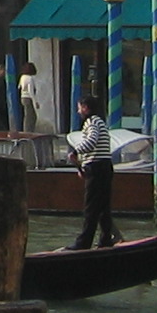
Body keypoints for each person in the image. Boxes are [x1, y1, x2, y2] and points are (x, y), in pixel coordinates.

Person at [68, 96, 118, 250]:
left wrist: (76, 152)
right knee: (103, 206)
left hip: (96, 168)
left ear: (86, 108)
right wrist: (83, 166)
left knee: (91, 207)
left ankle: (84, 242)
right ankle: (106, 239)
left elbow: (91, 141)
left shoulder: (91, 122)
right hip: (104, 166)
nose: (78, 111)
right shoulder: (100, 121)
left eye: (79, 108)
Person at [17, 62, 43, 133]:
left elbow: (19, 86)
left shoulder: (22, 77)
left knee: (27, 115)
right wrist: (35, 102)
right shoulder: (30, 78)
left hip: (23, 97)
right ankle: (28, 131)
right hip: (28, 98)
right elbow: (31, 91)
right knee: (31, 116)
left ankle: (27, 130)